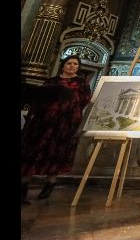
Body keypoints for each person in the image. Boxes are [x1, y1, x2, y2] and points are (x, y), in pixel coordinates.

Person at [21, 55, 92, 203]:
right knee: (33, 153)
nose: (72, 66)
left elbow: (84, 101)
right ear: (63, 65)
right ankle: (23, 186)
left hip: (65, 125)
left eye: (75, 64)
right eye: (69, 63)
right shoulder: (51, 82)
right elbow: (39, 99)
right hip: (44, 123)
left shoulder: (81, 83)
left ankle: (50, 184)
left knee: (57, 154)